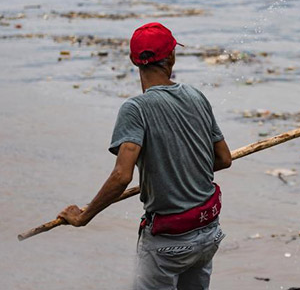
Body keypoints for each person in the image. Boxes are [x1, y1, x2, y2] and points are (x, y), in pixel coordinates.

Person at [58, 22, 232, 290]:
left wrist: (84, 216)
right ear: (172, 56)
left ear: (133, 60)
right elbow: (223, 159)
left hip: (169, 243)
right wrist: (181, 168)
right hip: (208, 230)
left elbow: (121, 176)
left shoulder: (135, 109)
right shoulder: (196, 96)